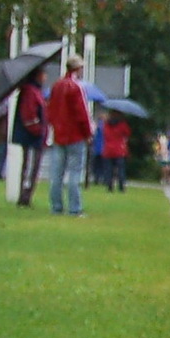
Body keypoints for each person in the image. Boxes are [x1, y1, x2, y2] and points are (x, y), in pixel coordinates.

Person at [45, 55, 95, 217]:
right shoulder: (76, 87)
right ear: (78, 69)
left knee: (56, 173)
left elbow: (50, 110)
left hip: (59, 135)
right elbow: (82, 114)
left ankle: (56, 206)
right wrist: (88, 133)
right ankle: (75, 208)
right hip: (75, 135)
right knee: (74, 172)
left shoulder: (56, 86)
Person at [12, 67, 47, 206]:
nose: (45, 78)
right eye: (43, 74)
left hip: (31, 134)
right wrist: (38, 129)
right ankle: (25, 196)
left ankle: (26, 195)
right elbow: (29, 114)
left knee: (29, 165)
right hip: (32, 136)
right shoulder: (31, 91)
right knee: (32, 165)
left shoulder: (34, 91)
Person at [101, 111, 131, 192]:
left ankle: (110, 186)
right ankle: (121, 186)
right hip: (119, 150)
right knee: (120, 169)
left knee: (109, 169)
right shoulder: (122, 124)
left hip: (108, 150)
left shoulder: (106, 124)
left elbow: (105, 134)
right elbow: (128, 133)